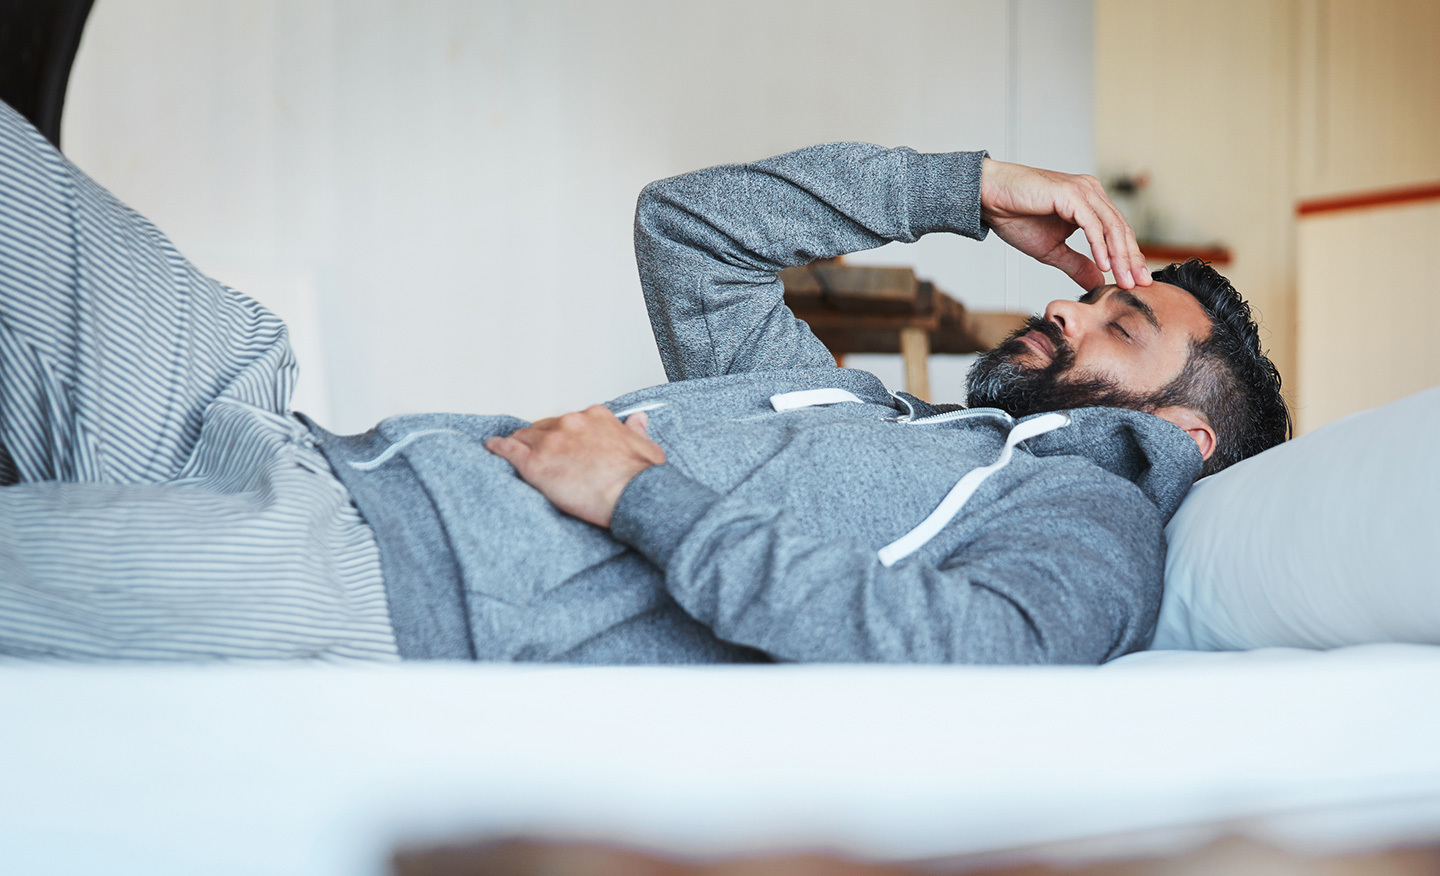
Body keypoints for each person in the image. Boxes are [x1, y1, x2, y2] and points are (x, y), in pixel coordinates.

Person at [0, 101, 1288, 664]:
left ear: (1183, 430)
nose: (1066, 306)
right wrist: (967, 190)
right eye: (1090, 293)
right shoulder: (879, 418)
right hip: (275, 435)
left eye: (1119, 325)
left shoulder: (1092, 519)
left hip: (362, 577)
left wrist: (641, 496)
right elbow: (692, 229)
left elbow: (978, 651)